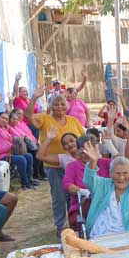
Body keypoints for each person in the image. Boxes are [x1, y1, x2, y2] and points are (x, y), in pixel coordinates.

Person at [26, 88, 86, 232]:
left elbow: (83, 139)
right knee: (59, 196)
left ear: (67, 106)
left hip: (75, 164)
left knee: (75, 195)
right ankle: (60, 227)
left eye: (62, 104)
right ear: (50, 107)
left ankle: (75, 224)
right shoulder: (45, 119)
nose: (59, 107)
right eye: (56, 104)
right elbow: (28, 115)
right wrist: (34, 98)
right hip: (54, 165)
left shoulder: (74, 120)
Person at [80, 144, 129, 236]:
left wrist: (127, 238)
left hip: (125, 236)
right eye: (117, 173)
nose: (121, 177)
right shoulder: (102, 185)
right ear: (110, 173)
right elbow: (88, 180)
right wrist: (93, 161)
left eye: (125, 173)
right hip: (98, 235)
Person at [0, 111, 35, 190]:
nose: (5, 120)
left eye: (6, 119)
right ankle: (25, 183)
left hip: (9, 153)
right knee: (21, 159)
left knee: (29, 156)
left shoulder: (5, 129)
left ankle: (30, 180)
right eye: (2, 118)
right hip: (0, 156)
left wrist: (11, 151)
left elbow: (11, 143)